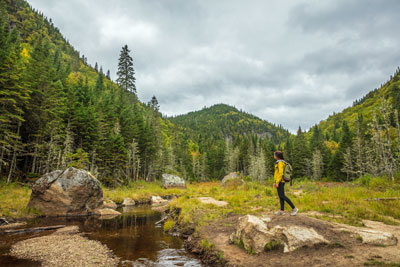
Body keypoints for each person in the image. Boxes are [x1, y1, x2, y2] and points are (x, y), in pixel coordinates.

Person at [273, 151, 298, 216]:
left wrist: (277, 182)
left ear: (277, 156)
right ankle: (282, 210)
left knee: (282, 196)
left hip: (280, 181)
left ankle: (294, 208)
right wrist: (275, 182)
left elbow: (280, 173)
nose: (274, 156)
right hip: (280, 181)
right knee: (281, 196)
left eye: (274, 155)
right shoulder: (281, 162)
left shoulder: (280, 163)